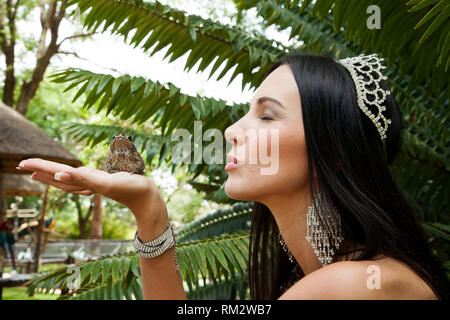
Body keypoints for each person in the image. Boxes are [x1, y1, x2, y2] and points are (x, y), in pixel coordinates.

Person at [16, 53, 449, 300]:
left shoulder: (350, 285)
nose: (232, 131)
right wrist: (149, 210)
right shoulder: (332, 277)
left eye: (266, 115)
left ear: (334, 152)